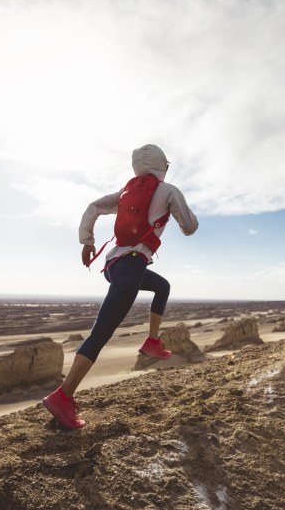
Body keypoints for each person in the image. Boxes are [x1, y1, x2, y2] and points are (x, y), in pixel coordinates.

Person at [43, 144, 199, 429]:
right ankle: (62, 396)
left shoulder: (125, 193)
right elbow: (189, 227)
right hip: (132, 266)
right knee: (100, 334)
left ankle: (152, 341)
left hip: (114, 265)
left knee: (162, 286)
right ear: (161, 164)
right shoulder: (167, 190)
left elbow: (93, 207)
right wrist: (178, 210)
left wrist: (87, 241)